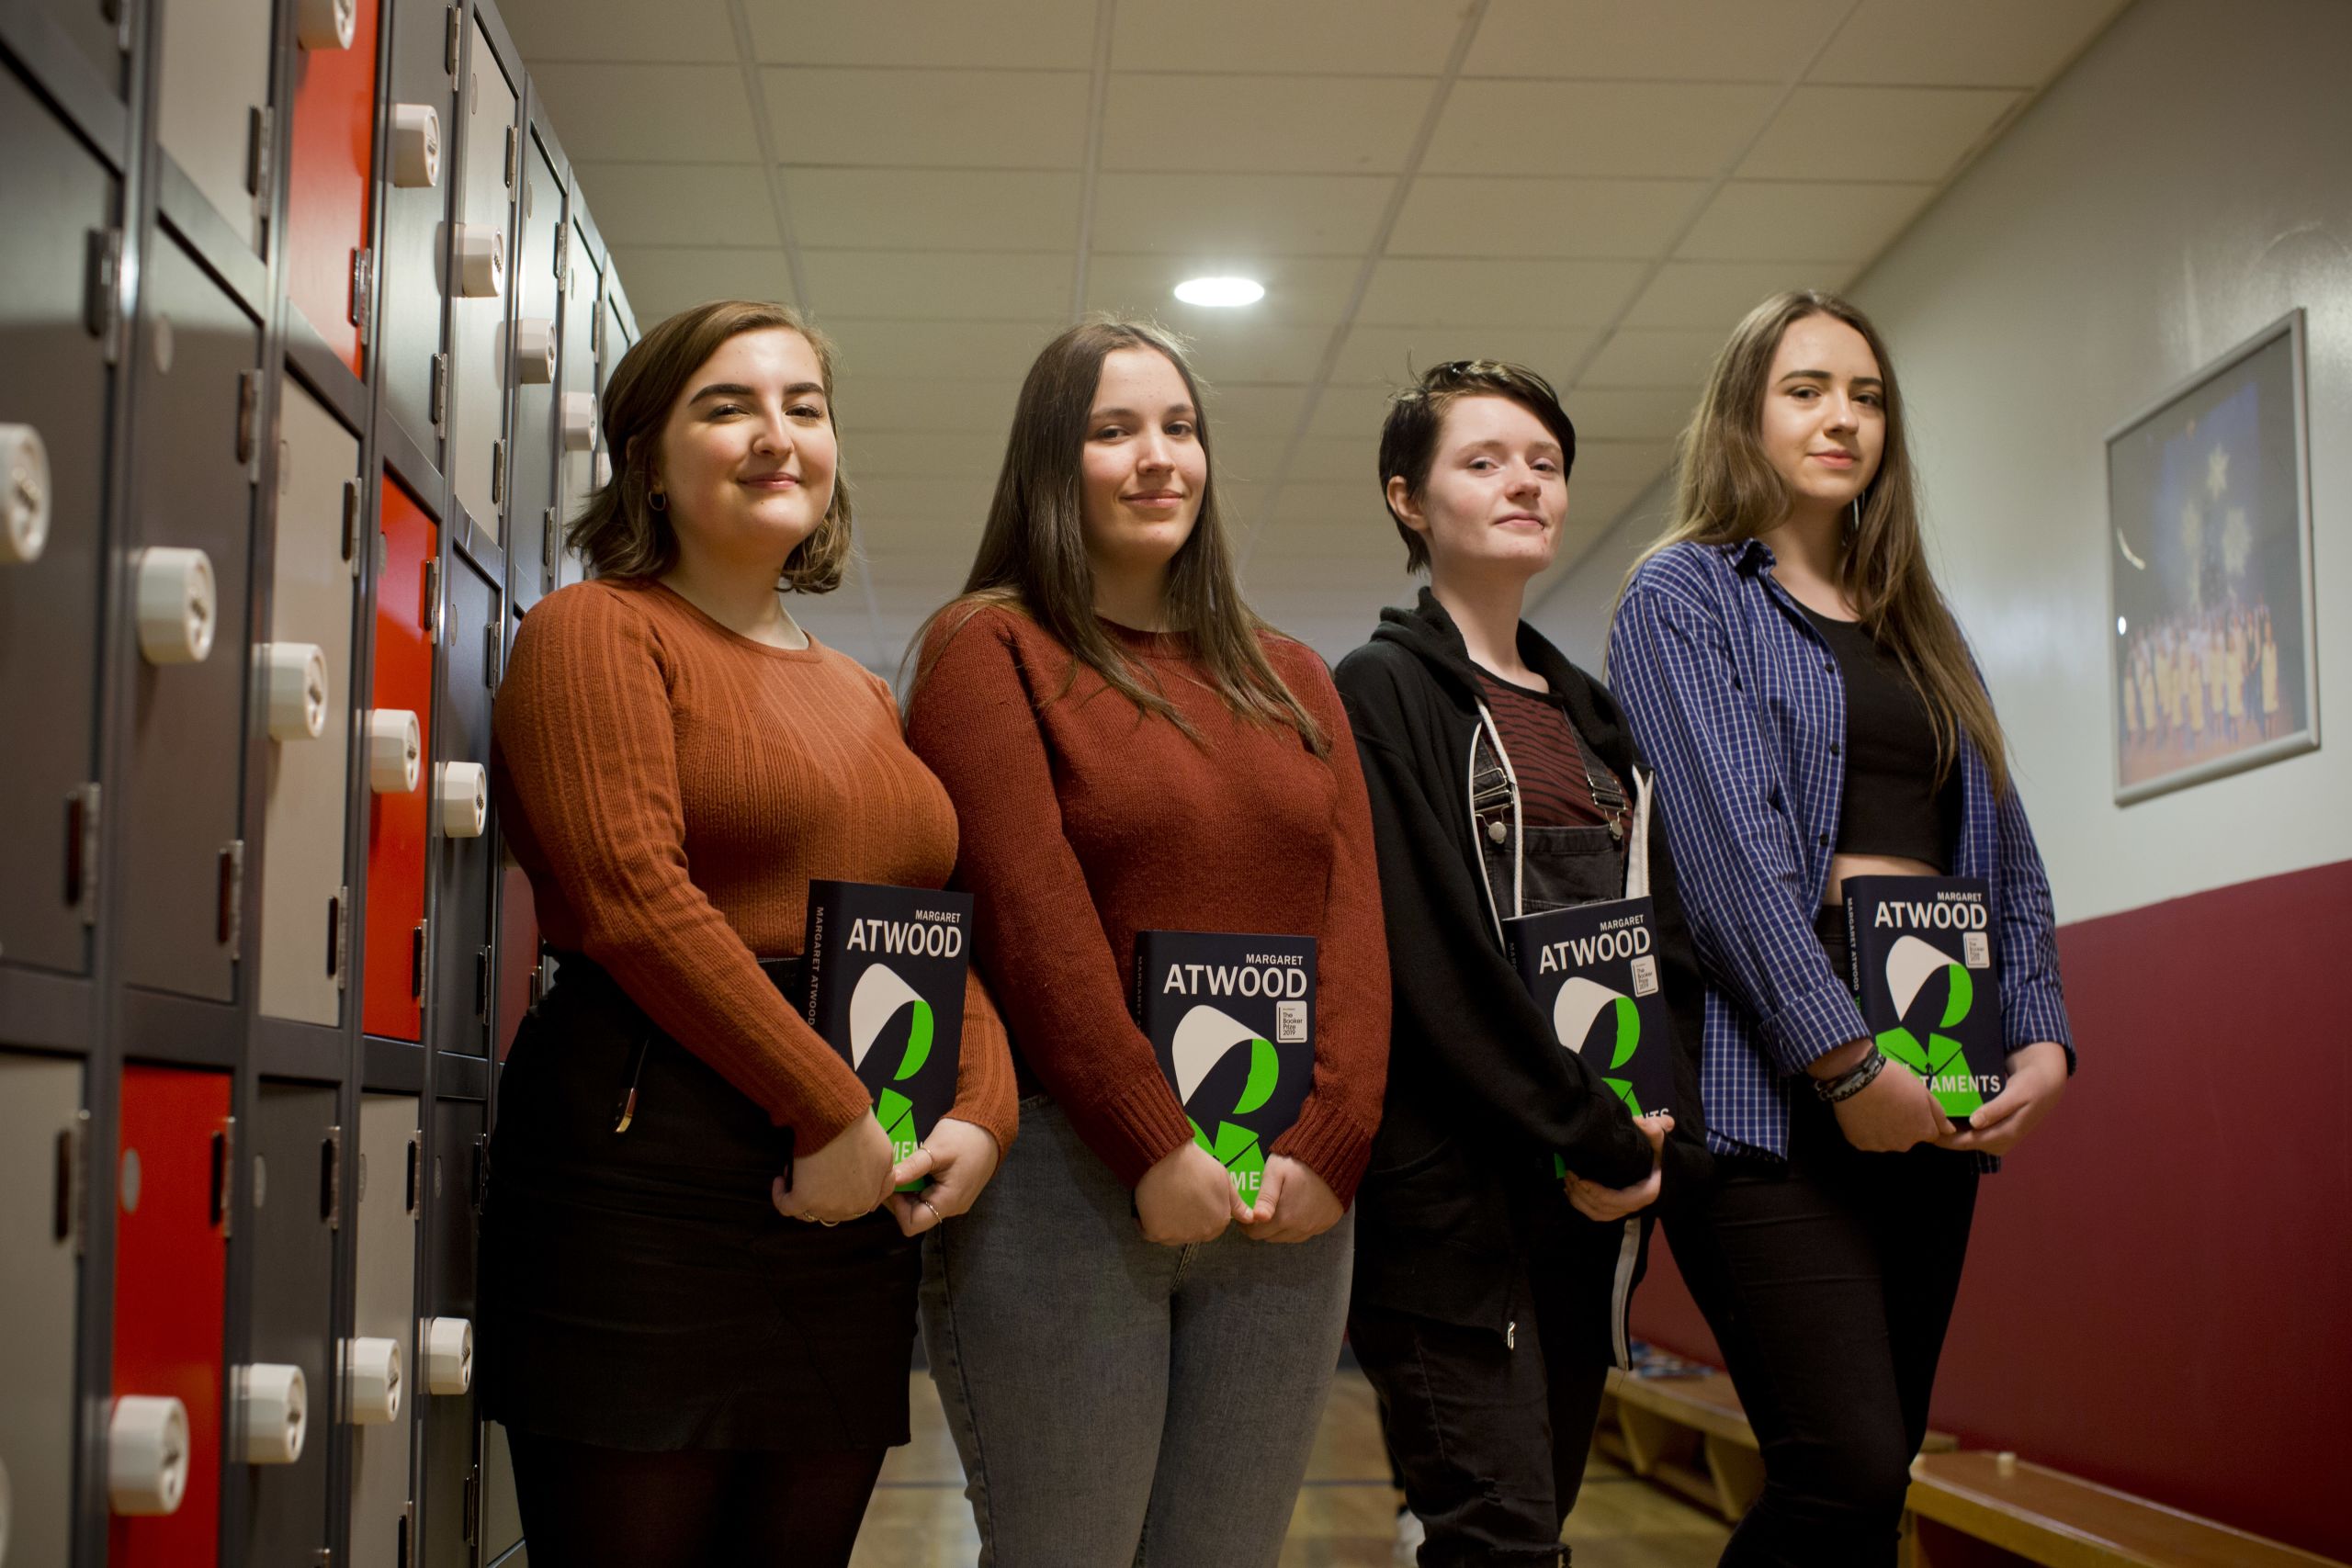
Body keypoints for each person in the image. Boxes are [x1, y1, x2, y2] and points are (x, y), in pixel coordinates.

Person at [480, 300, 1016, 1567]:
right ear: (647, 457)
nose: (777, 436)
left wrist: (978, 1116)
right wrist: (830, 1106)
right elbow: (631, 899)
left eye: (804, 408)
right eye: (728, 407)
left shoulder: (862, 692)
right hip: (649, 1171)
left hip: (851, 1198)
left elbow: (931, 926)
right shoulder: (595, 633)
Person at [903, 318, 1389, 1568]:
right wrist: (1151, 1138)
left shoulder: (1292, 679)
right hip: (1072, 1183)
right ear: (1050, 465)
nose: (1157, 456)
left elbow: (1355, 929)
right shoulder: (988, 648)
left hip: (1284, 1197)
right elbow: (1030, 916)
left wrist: (1336, 1144)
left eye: (1179, 428)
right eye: (1113, 431)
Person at [1607, 290, 2075, 1568]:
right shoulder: (1684, 597)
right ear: (1743, 414)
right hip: (1767, 1110)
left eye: (1867, 397)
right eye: (1807, 389)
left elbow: (2005, 861)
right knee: (1845, 1471)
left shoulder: (1922, 623)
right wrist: (1845, 1062)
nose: (1843, 419)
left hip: (1936, 1095)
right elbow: (1730, 867)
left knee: (1876, 1488)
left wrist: (2044, 1040)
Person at [1333, 360, 1710, 1568]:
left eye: (1544, 464)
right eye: (1484, 461)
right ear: (1408, 497)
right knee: (1494, 1532)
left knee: (1534, 1524)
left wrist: (1645, 1131)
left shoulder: (1596, 717)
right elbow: (1434, 957)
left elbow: (1653, 944)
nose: (1524, 484)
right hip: (1454, 1202)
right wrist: (1581, 1131)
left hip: (1594, 1193)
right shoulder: (1379, 693)